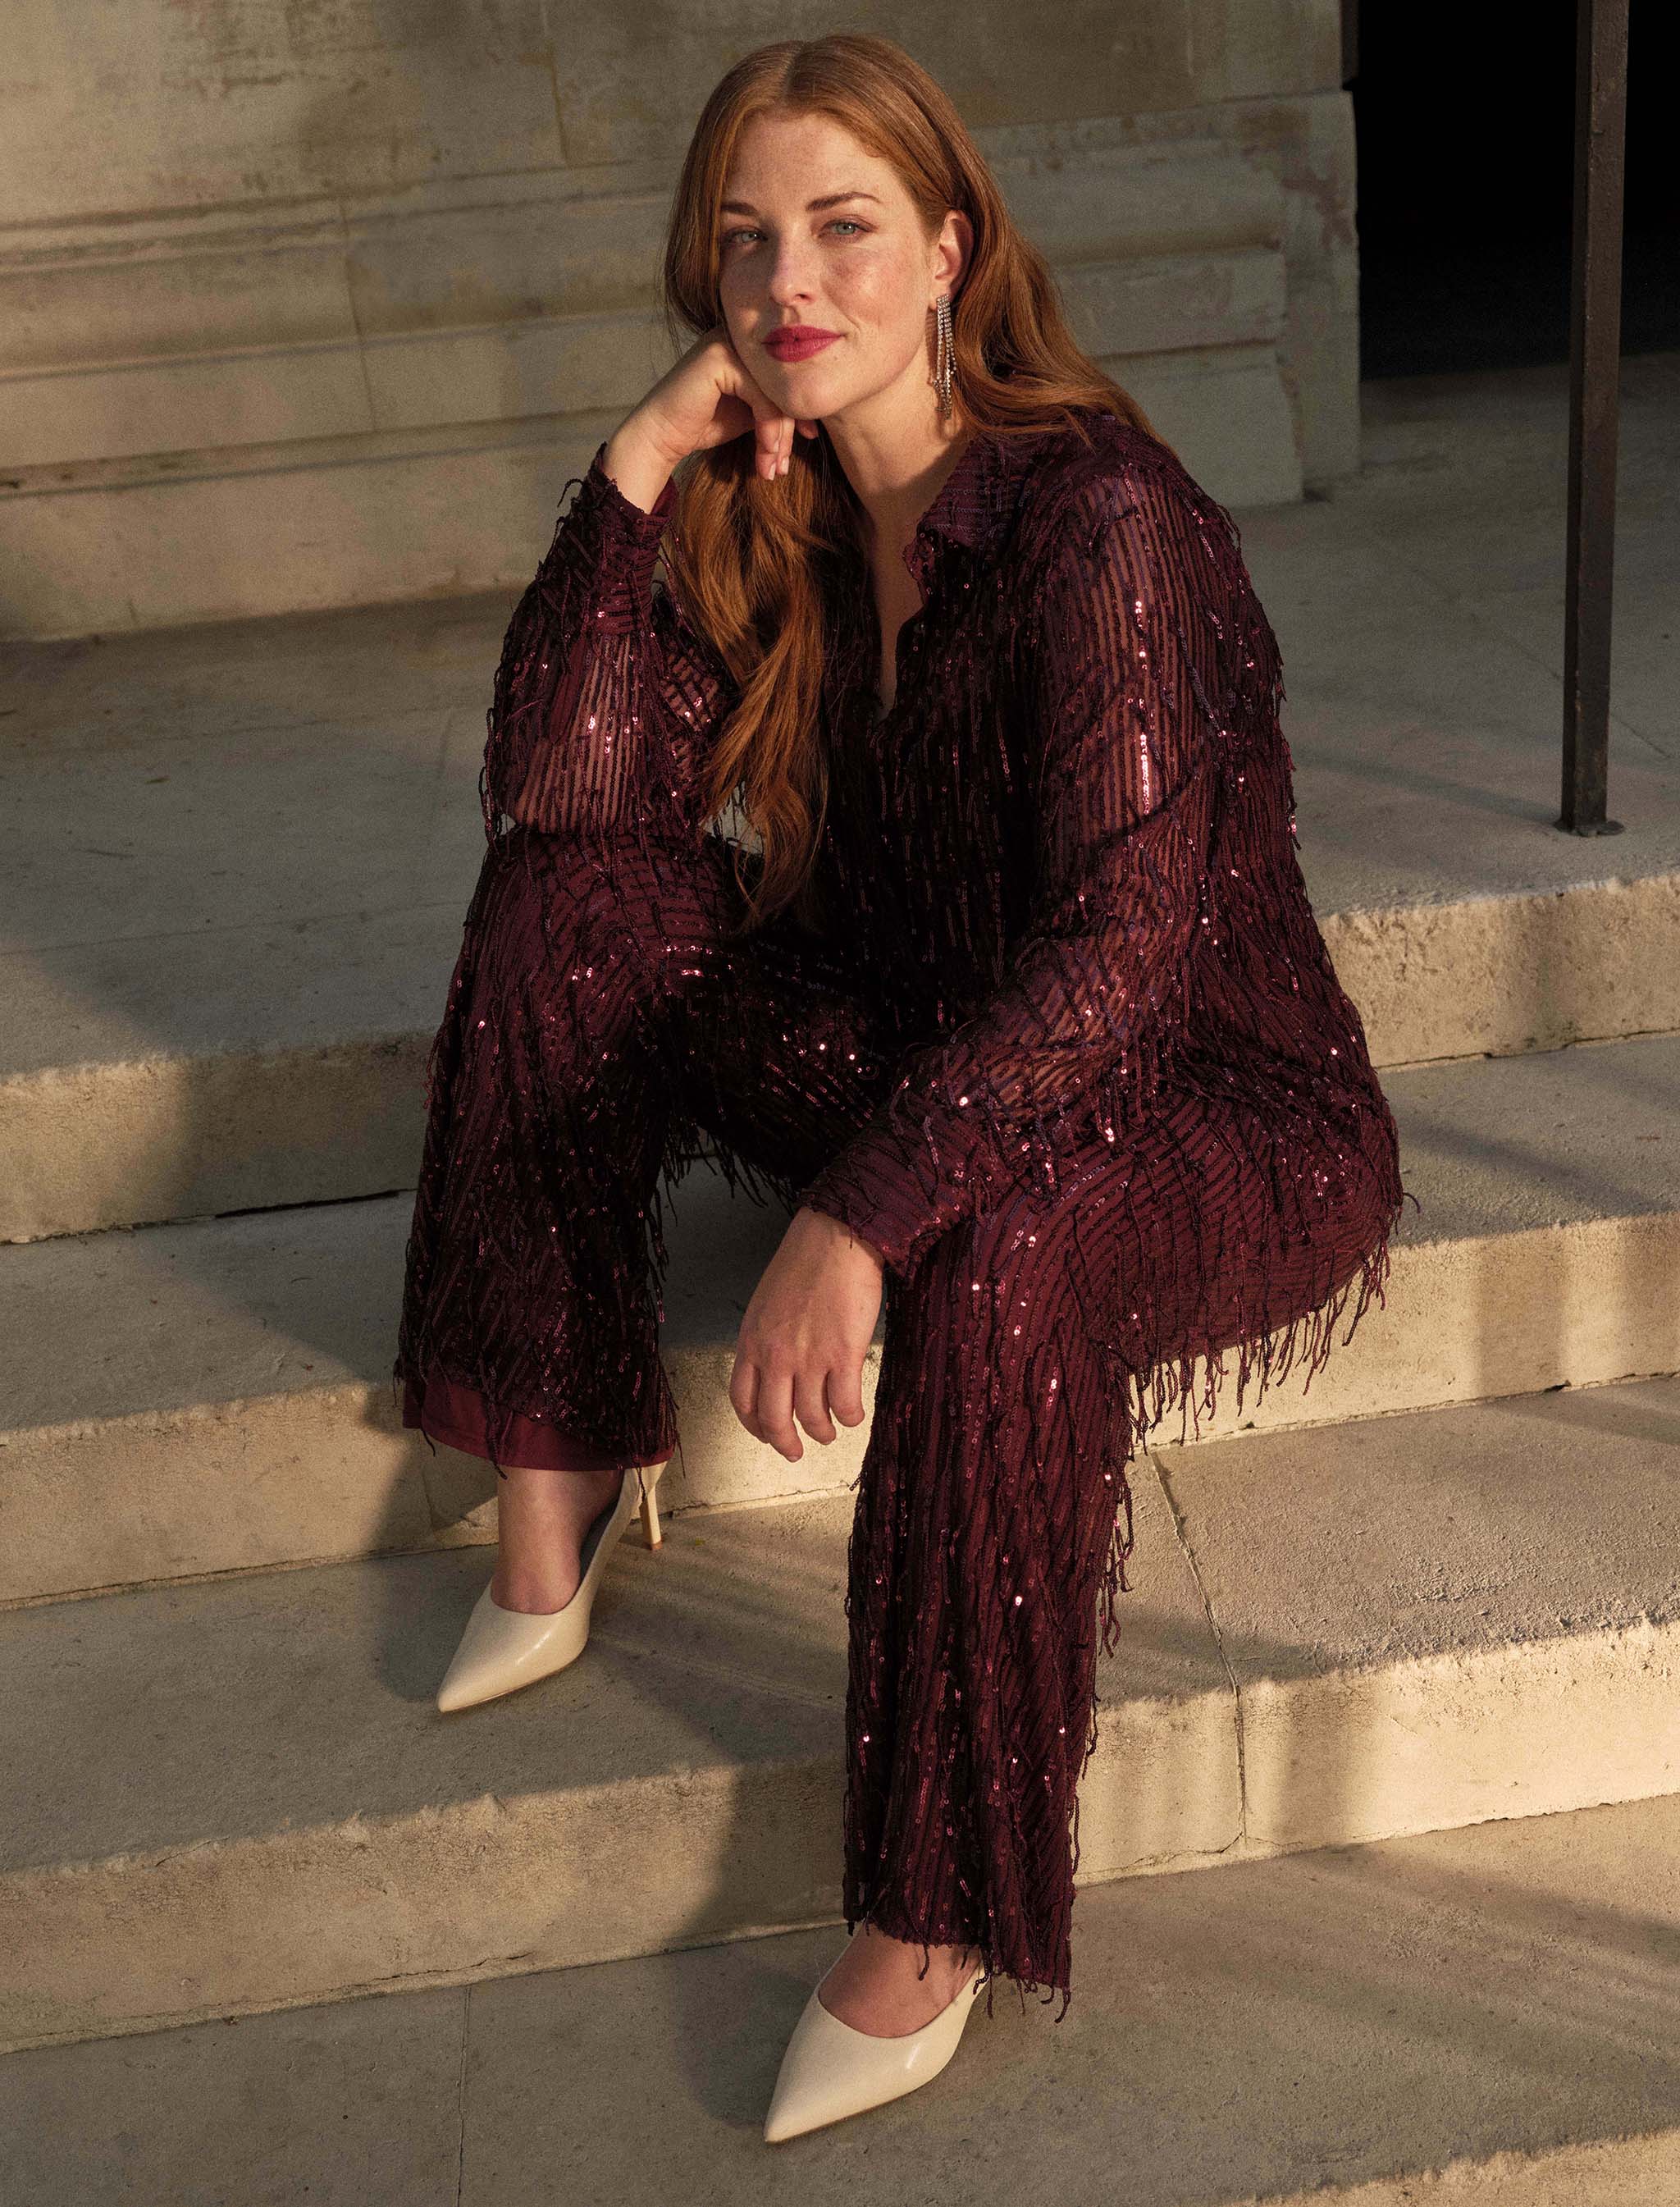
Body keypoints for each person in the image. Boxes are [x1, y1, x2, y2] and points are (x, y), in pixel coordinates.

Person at [392, 30, 1413, 2141]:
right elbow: (558, 791)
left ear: (950, 251)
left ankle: (934, 1901)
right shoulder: (772, 511)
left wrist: (860, 1215)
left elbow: (1122, 960)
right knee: (565, 906)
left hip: (1217, 1103)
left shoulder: (1101, 521)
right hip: (933, 1035)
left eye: (845, 228)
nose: (792, 282)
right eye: (744, 242)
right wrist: (639, 462)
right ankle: (555, 1451)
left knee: (1000, 1244)